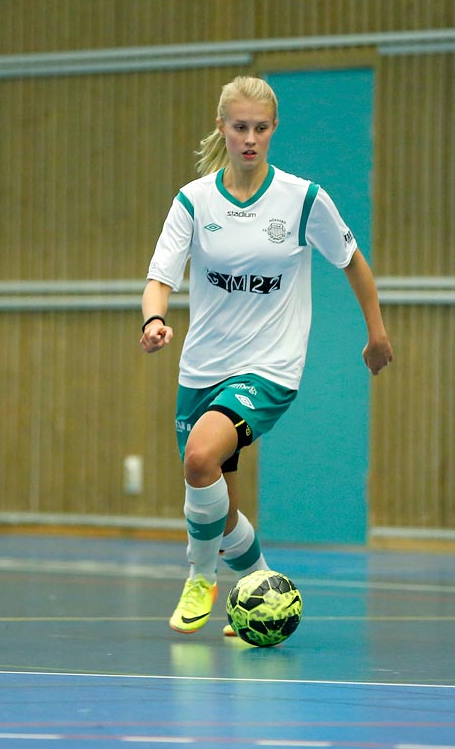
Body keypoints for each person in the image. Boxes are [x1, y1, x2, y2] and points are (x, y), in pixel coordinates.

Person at [139, 75, 394, 634]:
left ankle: (200, 577)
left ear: (273, 129)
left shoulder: (303, 200)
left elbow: (353, 262)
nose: (249, 138)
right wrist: (155, 319)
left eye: (260, 128)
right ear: (222, 128)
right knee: (215, 501)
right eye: (239, 127)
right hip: (201, 367)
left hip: (269, 368)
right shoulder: (194, 200)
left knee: (202, 457)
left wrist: (375, 334)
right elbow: (161, 277)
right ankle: (259, 586)